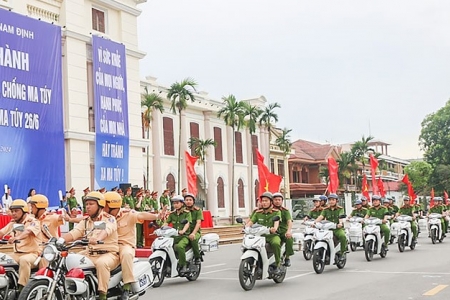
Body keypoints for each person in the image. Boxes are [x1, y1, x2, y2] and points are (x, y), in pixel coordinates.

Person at [57, 191, 119, 300]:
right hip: (89, 253)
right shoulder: (86, 221)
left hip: (109, 254)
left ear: (100, 205)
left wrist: (97, 238)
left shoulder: (109, 218)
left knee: (101, 263)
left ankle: (102, 295)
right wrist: (60, 240)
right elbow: (74, 233)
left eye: (91, 204)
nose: (88, 207)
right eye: (86, 204)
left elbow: (107, 230)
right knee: (70, 260)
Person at [103, 191, 160, 300]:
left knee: (126, 254)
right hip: (108, 245)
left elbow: (141, 214)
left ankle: (127, 287)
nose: (103, 209)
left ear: (113, 207)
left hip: (124, 245)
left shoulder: (128, 214)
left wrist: (157, 216)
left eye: (105, 206)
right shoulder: (103, 216)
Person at [0, 199, 41, 291]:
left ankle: (22, 290)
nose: (13, 213)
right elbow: (1, 232)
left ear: (24, 211)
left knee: (24, 260)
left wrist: (17, 238)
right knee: (2, 258)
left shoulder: (33, 221)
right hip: (16, 254)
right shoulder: (13, 223)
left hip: (32, 254)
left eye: (16, 211)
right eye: (12, 211)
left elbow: (27, 231)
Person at [245, 192, 282, 274]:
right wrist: (245, 228)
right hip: (259, 236)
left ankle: (277, 264)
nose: (264, 203)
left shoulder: (276, 212)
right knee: (250, 245)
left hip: (272, 235)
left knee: (276, 243)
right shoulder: (258, 213)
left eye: (266, 201)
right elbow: (251, 222)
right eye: (263, 201)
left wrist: (274, 229)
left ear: (271, 202)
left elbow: (277, 221)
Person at [163, 195, 192, 274]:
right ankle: (168, 265)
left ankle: (183, 265)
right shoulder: (172, 214)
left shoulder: (187, 213)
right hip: (174, 236)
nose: (175, 204)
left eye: (177, 203)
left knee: (179, 246)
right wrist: (161, 228)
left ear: (182, 204)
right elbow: (166, 223)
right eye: (174, 203)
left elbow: (187, 223)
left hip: (184, 236)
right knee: (165, 246)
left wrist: (183, 230)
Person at [272, 192, 294, 267]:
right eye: (275, 200)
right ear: (272, 201)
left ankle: (287, 257)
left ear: (282, 201)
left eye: (279, 200)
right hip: (273, 232)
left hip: (283, 231)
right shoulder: (270, 211)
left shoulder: (285, 211)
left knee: (290, 239)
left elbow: (289, 221)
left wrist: (288, 231)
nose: (277, 201)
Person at [184, 193, 204, 264]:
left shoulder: (198, 210)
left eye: (190, 200)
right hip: (184, 232)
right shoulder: (182, 211)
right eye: (186, 200)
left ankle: (197, 257)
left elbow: (198, 223)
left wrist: (193, 233)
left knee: (193, 239)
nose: (188, 201)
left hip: (195, 231)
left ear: (193, 201)